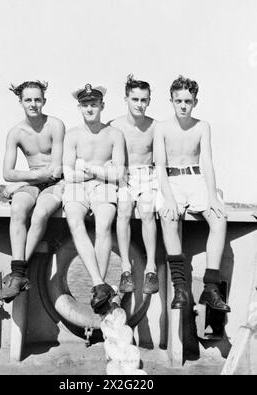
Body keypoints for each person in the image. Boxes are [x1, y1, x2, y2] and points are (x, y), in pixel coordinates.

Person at [154, 75, 230, 311]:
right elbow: (159, 165)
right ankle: (180, 288)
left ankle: (210, 287)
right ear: (172, 101)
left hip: (196, 179)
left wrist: (212, 195)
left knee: (218, 218)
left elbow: (206, 161)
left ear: (195, 102)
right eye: (179, 101)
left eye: (188, 101)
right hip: (171, 181)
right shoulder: (162, 128)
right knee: (168, 217)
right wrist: (167, 197)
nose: (183, 106)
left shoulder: (202, 127)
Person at [62, 83, 125, 314]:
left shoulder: (114, 135)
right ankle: (99, 283)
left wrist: (88, 167)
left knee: (104, 224)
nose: (90, 108)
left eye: (94, 104)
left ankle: (99, 287)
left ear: (102, 105)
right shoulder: (72, 135)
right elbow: (68, 174)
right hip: (77, 186)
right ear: (80, 107)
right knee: (74, 221)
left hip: (104, 186)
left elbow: (118, 173)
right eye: (85, 104)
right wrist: (100, 168)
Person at [0, 80, 65, 302]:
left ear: (44, 101)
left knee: (40, 213)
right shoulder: (15, 133)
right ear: (21, 102)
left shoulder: (55, 125)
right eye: (28, 100)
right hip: (34, 182)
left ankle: (18, 272)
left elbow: (55, 170)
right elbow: (7, 173)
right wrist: (31, 178)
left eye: (37, 99)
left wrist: (22, 180)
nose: (33, 104)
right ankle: (19, 274)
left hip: (56, 184)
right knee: (17, 208)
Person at [110, 75, 159, 294]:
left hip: (148, 176)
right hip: (124, 177)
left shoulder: (155, 127)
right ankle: (125, 269)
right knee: (124, 210)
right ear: (126, 99)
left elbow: (160, 161)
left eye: (144, 100)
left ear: (149, 101)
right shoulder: (115, 126)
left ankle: (150, 269)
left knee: (147, 212)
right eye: (135, 99)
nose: (139, 104)